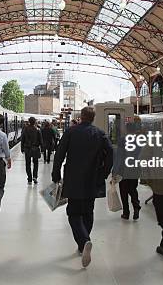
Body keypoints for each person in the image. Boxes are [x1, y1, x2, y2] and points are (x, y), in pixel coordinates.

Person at [52, 106, 113, 268]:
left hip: (73, 179)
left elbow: (60, 153)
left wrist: (55, 174)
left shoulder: (71, 132)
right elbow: (111, 155)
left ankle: (84, 241)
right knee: (88, 211)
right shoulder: (100, 134)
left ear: (81, 117)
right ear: (93, 118)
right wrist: (103, 175)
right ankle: (84, 242)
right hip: (93, 180)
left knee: (73, 213)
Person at [113, 119, 142, 220]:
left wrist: (114, 172)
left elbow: (119, 157)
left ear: (126, 130)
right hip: (135, 168)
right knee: (133, 188)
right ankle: (136, 206)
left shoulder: (122, 140)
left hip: (123, 169)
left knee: (123, 190)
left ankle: (126, 212)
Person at [21, 117, 42, 184]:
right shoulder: (38, 130)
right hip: (35, 149)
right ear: (35, 122)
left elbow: (22, 139)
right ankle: (35, 176)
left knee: (28, 164)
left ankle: (29, 178)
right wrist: (42, 149)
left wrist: (22, 149)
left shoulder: (25, 129)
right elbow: (41, 140)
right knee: (35, 163)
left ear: (29, 122)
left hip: (27, 149)